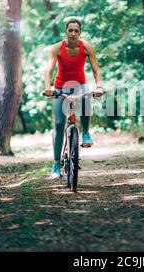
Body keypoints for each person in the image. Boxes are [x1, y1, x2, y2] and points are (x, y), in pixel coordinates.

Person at [43, 18, 103, 180]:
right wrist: (48, 88)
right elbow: (48, 71)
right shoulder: (57, 48)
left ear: (80, 33)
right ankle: (56, 164)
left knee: (86, 98)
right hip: (61, 86)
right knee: (58, 124)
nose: (73, 33)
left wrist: (98, 87)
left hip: (80, 84)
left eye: (76, 31)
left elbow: (96, 70)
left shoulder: (87, 48)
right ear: (66, 32)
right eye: (70, 30)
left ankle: (86, 133)